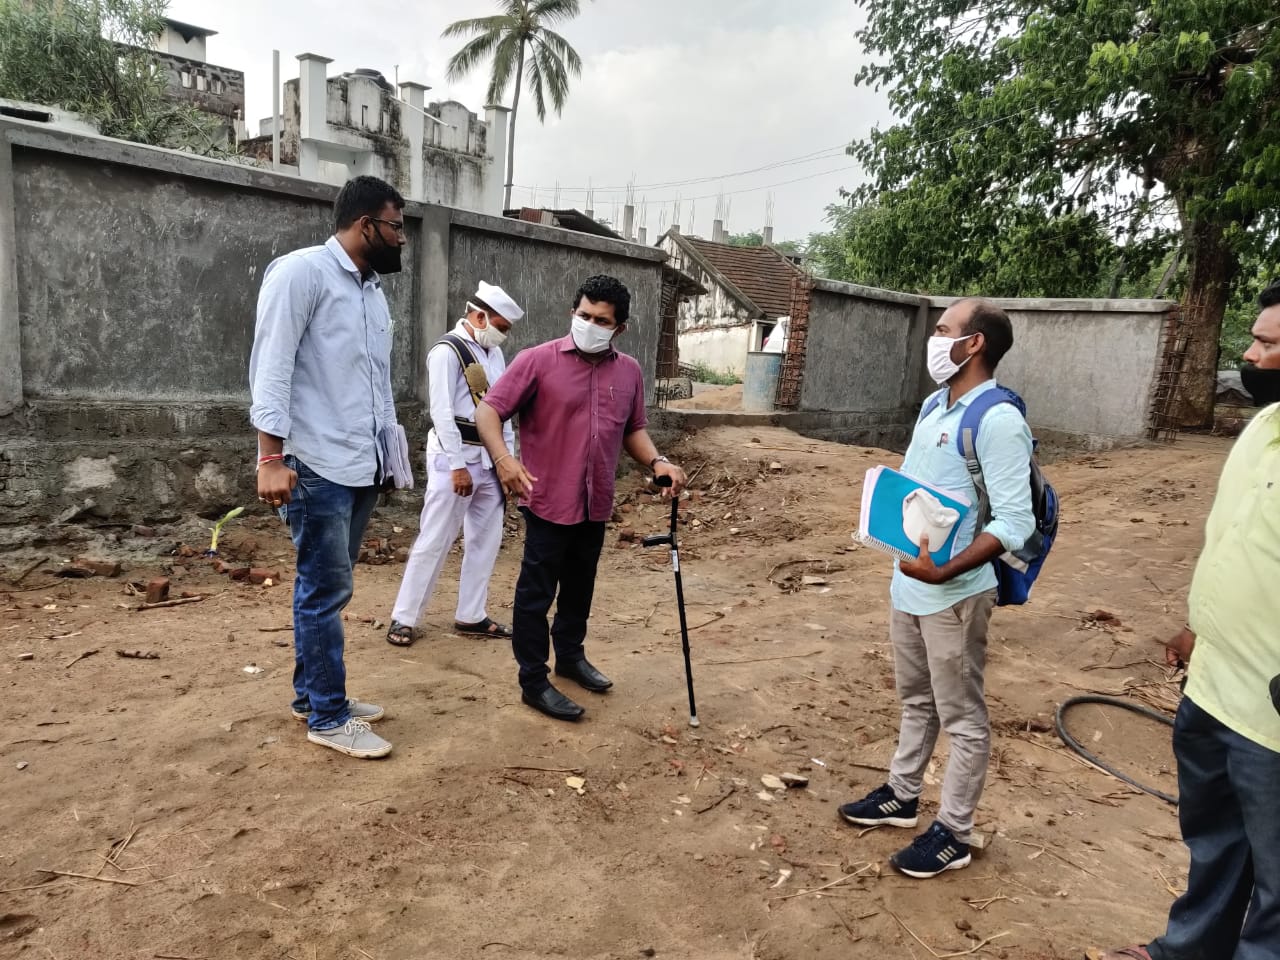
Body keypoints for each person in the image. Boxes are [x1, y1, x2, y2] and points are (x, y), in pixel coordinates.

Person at [1095, 281, 1280, 960]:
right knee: (1217, 844)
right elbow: (1237, 542)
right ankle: (1190, 951)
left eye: (1267, 343)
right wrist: (1198, 626)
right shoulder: (1264, 427)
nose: (1250, 353)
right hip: (1214, 688)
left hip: (1272, 717)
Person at [838, 298, 1035, 878]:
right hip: (911, 583)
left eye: (945, 329)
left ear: (973, 344)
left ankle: (955, 830)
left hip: (954, 593)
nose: (934, 337)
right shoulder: (934, 404)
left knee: (963, 717)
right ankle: (902, 795)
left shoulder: (998, 422)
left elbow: (1015, 523)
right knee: (916, 700)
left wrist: (945, 572)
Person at [474, 275, 688, 721]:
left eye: (601, 320)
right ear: (573, 313)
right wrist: (502, 460)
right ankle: (533, 680)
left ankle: (569, 658)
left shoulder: (628, 371)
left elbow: (632, 429)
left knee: (579, 588)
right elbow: (489, 410)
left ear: (619, 328)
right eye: (584, 315)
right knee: (536, 595)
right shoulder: (538, 361)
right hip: (547, 498)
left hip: (595, 501)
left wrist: (657, 463)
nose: (590, 324)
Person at [249, 175, 411, 760]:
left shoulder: (371, 292)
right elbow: (272, 366)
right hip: (314, 462)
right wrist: (269, 456)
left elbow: (377, 385)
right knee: (324, 590)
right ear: (366, 224)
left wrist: (388, 459)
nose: (402, 240)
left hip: (358, 465)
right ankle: (327, 715)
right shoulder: (301, 274)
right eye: (397, 227)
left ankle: (310, 695)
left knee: (328, 588)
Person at [386, 282, 524, 646]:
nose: (502, 335)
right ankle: (405, 617)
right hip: (455, 455)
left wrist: (506, 459)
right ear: (479, 315)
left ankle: (471, 613)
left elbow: (503, 411)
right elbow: (442, 413)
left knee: (486, 540)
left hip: (490, 460)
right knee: (436, 537)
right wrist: (456, 465)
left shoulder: (493, 354)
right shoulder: (447, 351)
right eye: (500, 326)